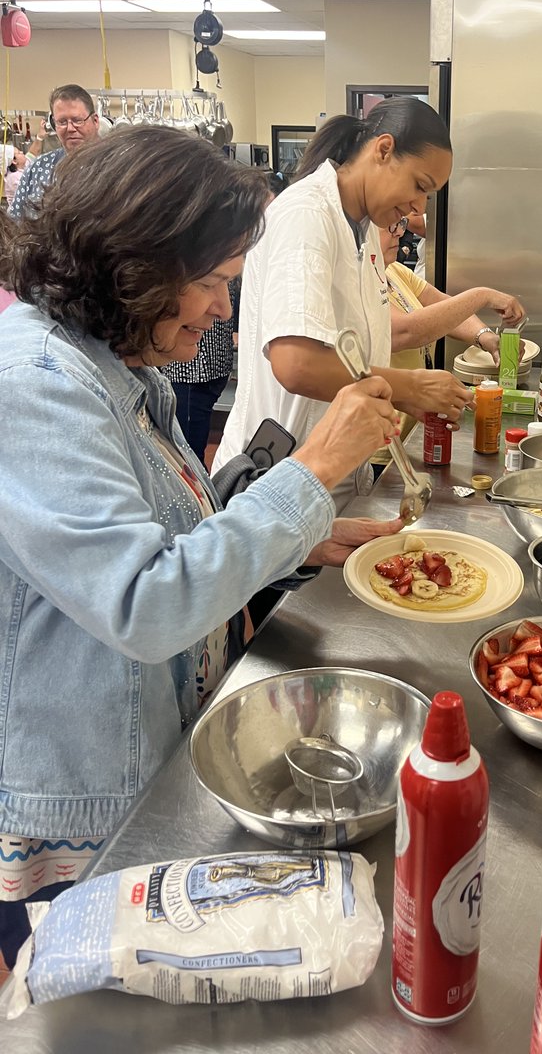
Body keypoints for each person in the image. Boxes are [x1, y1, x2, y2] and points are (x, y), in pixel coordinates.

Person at [0, 126, 402, 973]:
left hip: (155, 740)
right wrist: (314, 467)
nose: (224, 310)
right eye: (215, 283)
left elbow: (174, 533)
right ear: (133, 268)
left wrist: (298, 537)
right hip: (83, 793)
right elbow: (146, 604)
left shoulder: (120, 363)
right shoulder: (36, 386)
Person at [213, 98, 472, 505]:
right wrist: (408, 388)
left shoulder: (365, 228)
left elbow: (353, 355)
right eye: (420, 186)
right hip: (277, 473)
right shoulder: (306, 214)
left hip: (332, 476)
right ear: (383, 150)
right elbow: (296, 364)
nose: (420, 206)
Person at [370, 221, 525, 464]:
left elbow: (444, 310)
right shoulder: (360, 284)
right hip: (379, 446)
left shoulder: (394, 272)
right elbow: (403, 331)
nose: (400, 232)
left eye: (399, 224)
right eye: (388, 226)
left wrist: (486, 337)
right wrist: (481, 295)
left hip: (410, 432)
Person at [161, 277, 240, 465]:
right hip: (210, 363)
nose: (224, 310)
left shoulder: (202, 261)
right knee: (189, 444)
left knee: (187, 453)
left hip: (193, 371)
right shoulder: (217, 260)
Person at [7, 84, 100, 220]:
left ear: (95, 121)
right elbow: (14, 224)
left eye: (77, 120)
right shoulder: (38, 168)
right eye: (62, 122)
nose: (70, 128)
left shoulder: (120, 167)